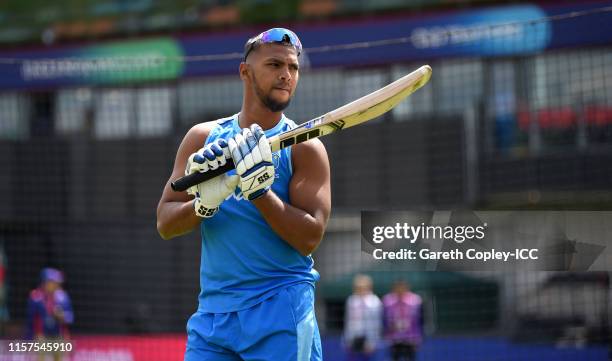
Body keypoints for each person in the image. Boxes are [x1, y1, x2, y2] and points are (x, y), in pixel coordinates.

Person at [156, 28, 331, 361]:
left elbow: (310, 238)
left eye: (293, 68)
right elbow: (165, 223)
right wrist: (204, 205)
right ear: (245, 71)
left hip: (281, 310)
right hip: (212, 320)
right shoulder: (203, 139)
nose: (286, 75)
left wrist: (260, 192)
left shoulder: (305, 147)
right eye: (275, 64)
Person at [25, 268, 74, 361]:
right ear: (45, 282)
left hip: (58, 336)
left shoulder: (63, 297)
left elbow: (70, 318)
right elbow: (30, 320)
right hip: (41, 336)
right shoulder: (35, 297)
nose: (56, 285)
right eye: (53, 282)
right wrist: (28, 338)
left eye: (57, 282)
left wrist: (62, 316)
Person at [343, 274, 383, 361]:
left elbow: (377, 323)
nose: (360, 289)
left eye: (363, 287)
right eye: (357, 287)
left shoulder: (375, 301)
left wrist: (372, 342)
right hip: (353, 338)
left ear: (369, 287)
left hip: (369, 339)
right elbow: (348, 320)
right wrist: (347, 339)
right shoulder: (351, 300)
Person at [382, 281, 423, 361]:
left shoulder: (415, 300)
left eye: (402, 288)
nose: (400, 291)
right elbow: (384, 319)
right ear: (394, 289)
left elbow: (420, 320)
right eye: (397, 289)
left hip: (411, 338)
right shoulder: (387, 301)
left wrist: (418, 337)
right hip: (394, 338)